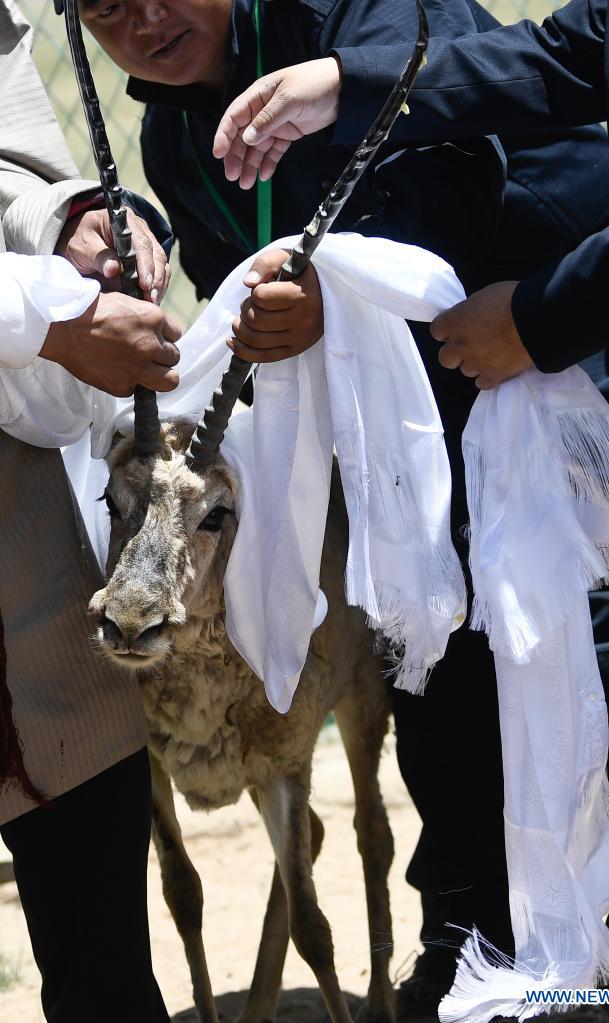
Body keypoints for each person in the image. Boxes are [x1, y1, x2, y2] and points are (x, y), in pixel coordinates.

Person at [78, 1, 609, 1020]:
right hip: (411, 431)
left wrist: (361, 293)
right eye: (100, 9)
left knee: (606, 652)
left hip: (571, 351)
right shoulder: (178, 132)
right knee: (427, 646)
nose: (140, 21)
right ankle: (468, 934)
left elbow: (474, 172)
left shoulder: (360, 11)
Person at [0, 2, 182, 1019]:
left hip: (26, 573)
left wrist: (79, 226)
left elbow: (17, 174)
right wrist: (47, 316)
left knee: (100, 960)